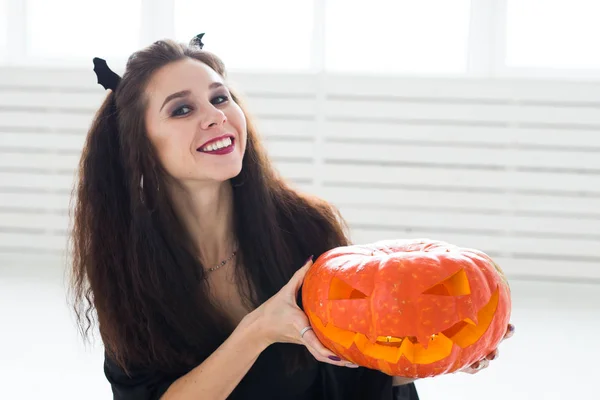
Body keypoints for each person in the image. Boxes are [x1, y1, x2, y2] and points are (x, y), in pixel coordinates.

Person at [68, 33, 513, 400]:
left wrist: (440, 349)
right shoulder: (127, 271)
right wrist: (258, 330)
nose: (215, 117)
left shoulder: (305, 227)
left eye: (220, 98)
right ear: (138, 147)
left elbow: (358, 375)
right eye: (182, 109)